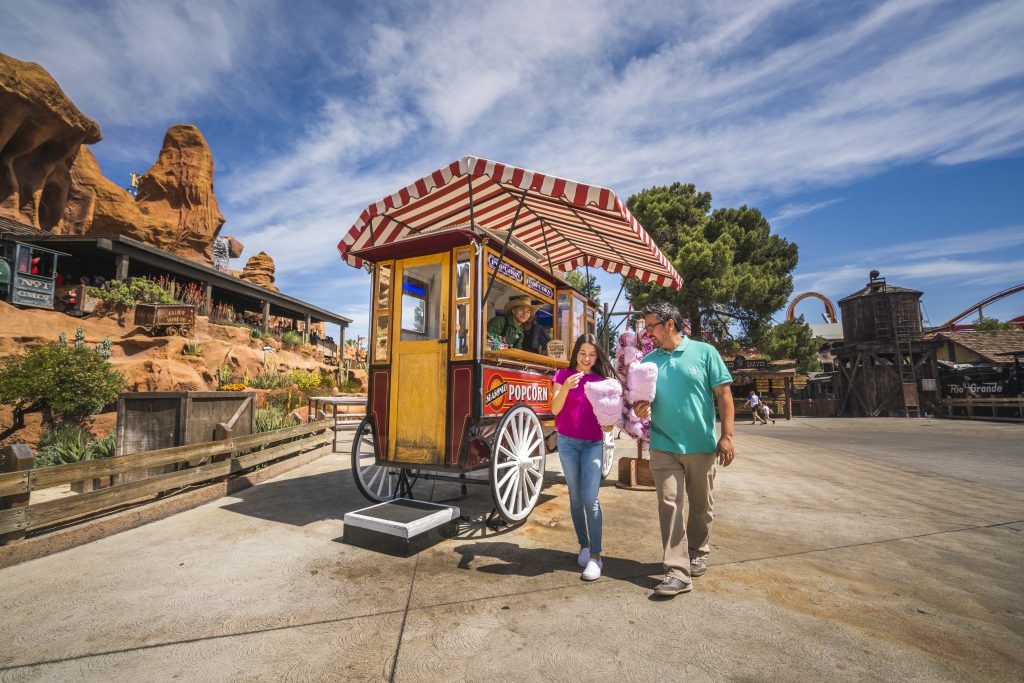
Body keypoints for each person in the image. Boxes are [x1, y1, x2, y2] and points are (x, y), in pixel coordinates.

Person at [634, 302, 735, 598]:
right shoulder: (648, 362)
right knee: (670, 505)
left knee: (701, 505)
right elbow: (640, 404)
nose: (647, 332)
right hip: (663, 445)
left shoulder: (705, 353)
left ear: (669, 324)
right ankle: (677, 571)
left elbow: (724, 394)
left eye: (651, 325)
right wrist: (641, 408)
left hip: (700, 445)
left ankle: (698, 550)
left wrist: (727, 435)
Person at [551, 333, 615, 582]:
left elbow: (609, 416)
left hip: (593, 444)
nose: (587, 359)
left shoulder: (602, 381)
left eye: (592, 354)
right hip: (567, 443)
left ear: (597, 356)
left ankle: (597, 557)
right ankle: (584, 545)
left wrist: (609, 425)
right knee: (576, 498)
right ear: (575, 354)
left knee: (591, 498)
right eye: (582, 353)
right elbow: (555, 409)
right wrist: (566, 387)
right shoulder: (562, 375)